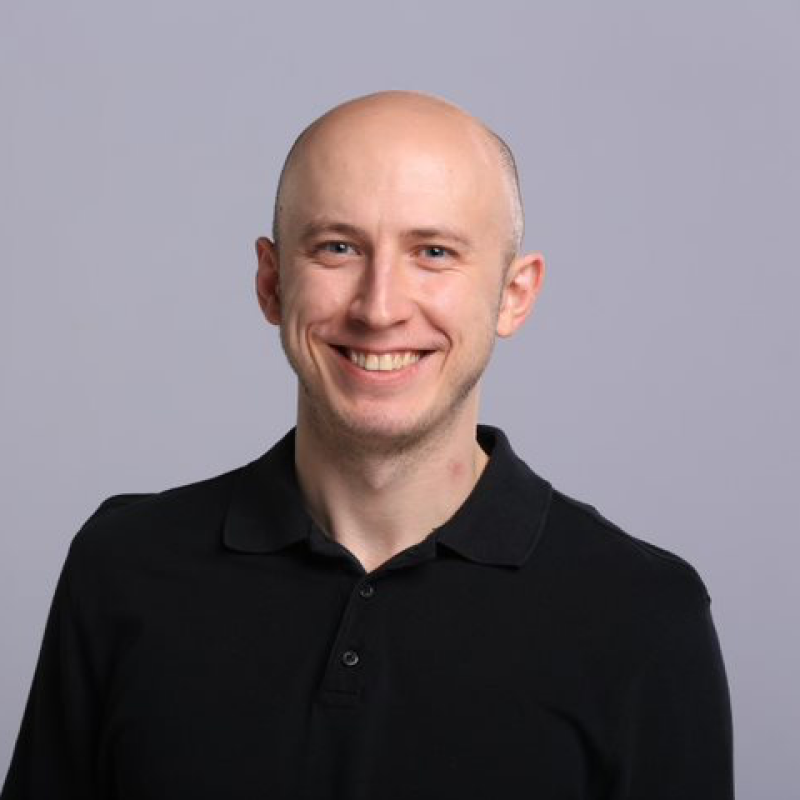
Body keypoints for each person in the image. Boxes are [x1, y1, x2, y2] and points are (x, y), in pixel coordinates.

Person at [1, 90, 734, 799]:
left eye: (435, 252)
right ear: (271, 279)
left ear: (514, 293)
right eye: (338, 247)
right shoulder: (124, 567)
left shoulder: (642, 616)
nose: (379, 307)